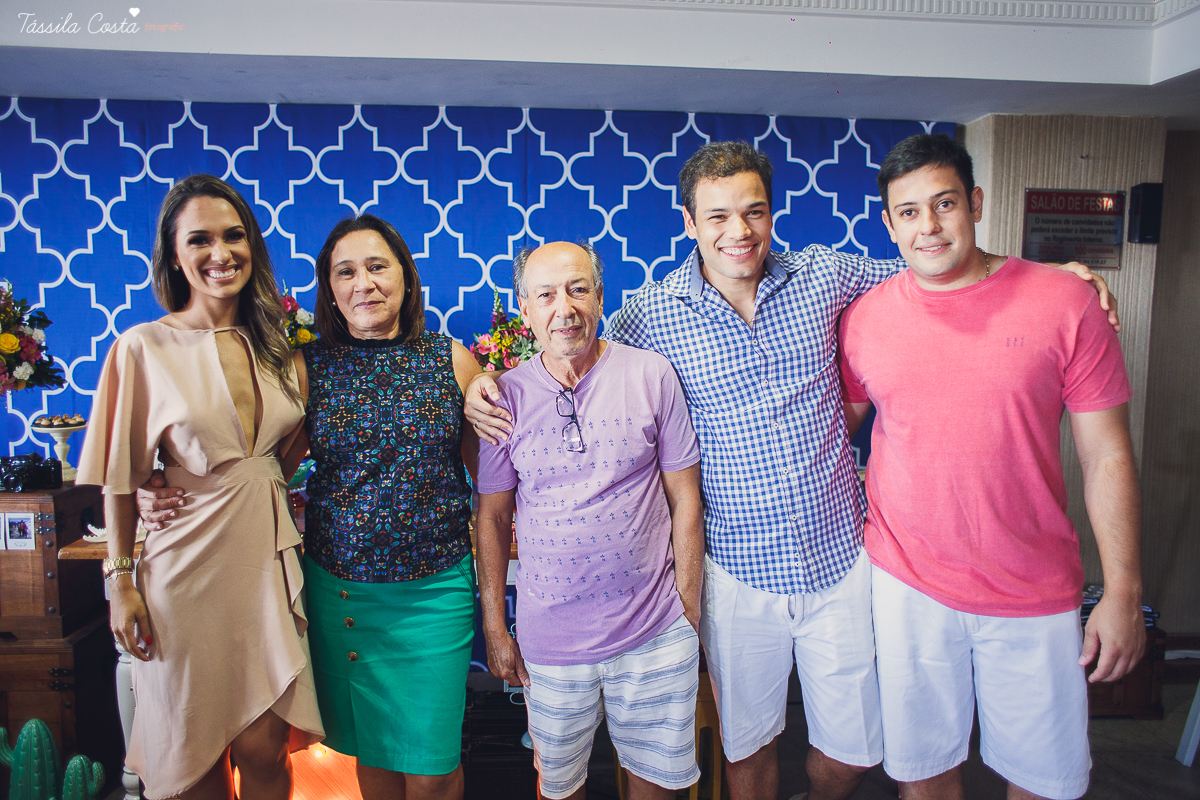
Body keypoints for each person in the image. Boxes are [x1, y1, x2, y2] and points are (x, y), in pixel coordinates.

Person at [466, 142, 1119, 800]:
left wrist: (1046, 277)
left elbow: (934, 266)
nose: (738, 231)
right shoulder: (648, 315)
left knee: (855, 753)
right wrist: (486, 384)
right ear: (689, 223)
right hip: (736, 569)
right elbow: (570, 349)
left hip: (840, 561)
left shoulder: (826, 276)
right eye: (717, 217)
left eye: (753, 212)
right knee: (749, 750)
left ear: (773, 213)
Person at [837, 133, 1144, 800]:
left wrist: (1122, 591)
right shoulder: (864, 318)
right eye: (909, 212)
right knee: (923, 772)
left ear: (975, 203)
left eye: (944, 204)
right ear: (888, 225)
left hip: (1033, 585)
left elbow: (1107, 454)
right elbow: (835, 432)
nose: (929, 226)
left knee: (1044, 779)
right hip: (907, 580)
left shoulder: (1065, 303)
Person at [138, 214, 482, 800]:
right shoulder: (308, 368)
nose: (363, 284)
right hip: (340, 591)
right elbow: (257, 465)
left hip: (432, 594)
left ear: (405, 276)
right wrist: (156, 484)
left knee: (432, 770)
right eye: (345, 272)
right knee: (372, 757)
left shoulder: (451, 360)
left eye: (377, 267)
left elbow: (490, 475)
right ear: (329, 289)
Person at [77, 174, 324, 800]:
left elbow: (282, 458)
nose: (221, 253)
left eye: (234, 235)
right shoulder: (141, 349)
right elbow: (118, 477)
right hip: (180, 575)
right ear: (174, 253)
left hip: (263, 568)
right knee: (191, 761)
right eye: (201, 240)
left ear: (254, 246)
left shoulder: (285, 353)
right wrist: (120, 583)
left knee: (265, 750)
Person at [475, 241, 705, 800]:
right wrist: (495, 629)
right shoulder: (502, 397)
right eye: (546, 295)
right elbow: (491, 517)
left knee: (661, 790)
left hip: (654, 633)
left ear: (600, 297)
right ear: (524, 311)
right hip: (550, 643)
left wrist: (689, 612)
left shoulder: (651, 374)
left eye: (578, 289)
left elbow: (686, 498)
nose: (565, 307)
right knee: (560, 789)